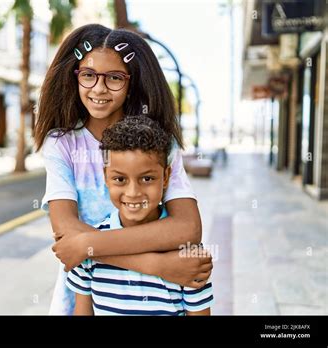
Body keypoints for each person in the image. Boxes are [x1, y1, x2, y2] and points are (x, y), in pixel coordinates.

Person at [34, 24, 213, 315]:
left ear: (132, 82)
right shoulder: (61, 144)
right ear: (75, 77)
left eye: (114, 77)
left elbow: (187, 228)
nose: (99, 88)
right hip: (85, 297)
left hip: (159, 297)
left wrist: (87, 245)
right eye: (88, 75)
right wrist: (156, 264)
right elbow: (66, 236)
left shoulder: (159, 143)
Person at [66, 116, 213, 315]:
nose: (133, 192)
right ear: (105, 177)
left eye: (147, 178)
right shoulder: (89, 249)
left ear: (166, 177)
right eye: (119, 179)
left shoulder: (187, 253)